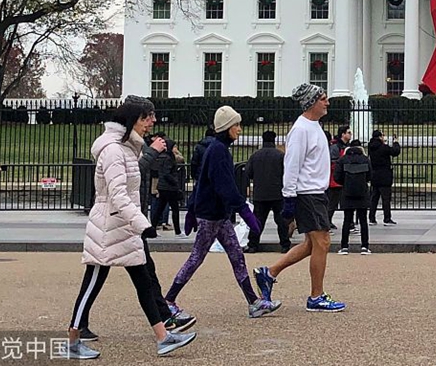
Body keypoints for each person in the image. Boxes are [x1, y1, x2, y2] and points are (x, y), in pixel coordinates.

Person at [63, 96, 196, 359]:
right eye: (147, 118)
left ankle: (163, 337)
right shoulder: (114, 150)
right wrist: (142, 223)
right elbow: (118, 194)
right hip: (110, 226)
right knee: (92, 284)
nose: (151, 123)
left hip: (123, 225)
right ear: (134, 120)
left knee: (144, 282)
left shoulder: (125, 147)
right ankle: (72, 340)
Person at [167, 106, 278, 318]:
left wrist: (192, 208)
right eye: (236, 125)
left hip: (216, 214)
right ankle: (169, 300)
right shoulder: (219, 151)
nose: (240, 129)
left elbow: (202, 181)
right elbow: (225, 187)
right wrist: (245, 212)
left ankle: (254, 301)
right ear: (227, 127)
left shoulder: (216, 149)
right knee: (197, 258)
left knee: (236, 256)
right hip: (212, 215)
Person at [254, 84, 346, 312]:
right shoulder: (301, 129)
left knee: (310, 245)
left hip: (316, 192)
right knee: (322, 242)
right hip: (307, 193)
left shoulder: (313, 126)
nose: (327, 102)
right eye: (323, 98)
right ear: (311, 102)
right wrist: (289, 197)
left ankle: (269, 273)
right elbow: (291, 164)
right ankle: (316, 296)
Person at [244, 130, 293, 254]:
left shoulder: (255, 156)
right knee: (281, 221)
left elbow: (248, 173)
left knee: (257, 220)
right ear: (274, 140)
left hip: (260, 193)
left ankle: (253, 244)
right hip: (277, 192)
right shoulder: (280, 155)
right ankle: (285, 245)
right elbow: (286, 173)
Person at [335, 139, 372, 254]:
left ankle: (344, 246)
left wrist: (345, 183)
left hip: (347, 192)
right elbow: (370, 175)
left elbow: (337, 177)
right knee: (363, 220)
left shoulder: (343, 160)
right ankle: (364, 246)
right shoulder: (365, 159)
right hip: (362, 193)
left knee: (347, 220)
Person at [151, 137, 185, 236]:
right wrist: (175, 182)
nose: (176, 149)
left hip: (162, 186)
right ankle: (178, 231)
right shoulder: (169, 158)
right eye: (174, 147)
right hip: (169, 187)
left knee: (159, 209)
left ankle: (153, 229)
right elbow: (167, 173)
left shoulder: (161, 157)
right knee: (175, 209)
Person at [368, 130, 401, 226]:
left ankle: (372, 218)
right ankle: (387, 218)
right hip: (384, 176)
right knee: (386, 199)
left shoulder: (371, 147)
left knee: (374, 198)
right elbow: (395, 152)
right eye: (383, 135)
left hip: (375, 175)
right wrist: (396, 142)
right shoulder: (383, 147)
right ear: (379, 137)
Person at [328, 125, 352, 230]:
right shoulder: (335, 147)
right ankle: (327, 221)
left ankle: (349, 223)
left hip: (344, 178)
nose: (350, 135)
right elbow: (332, 162)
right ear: (343, 134)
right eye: (349, 133)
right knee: (332, 202)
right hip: (335, 179)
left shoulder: (345, 146)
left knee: (346, 203)